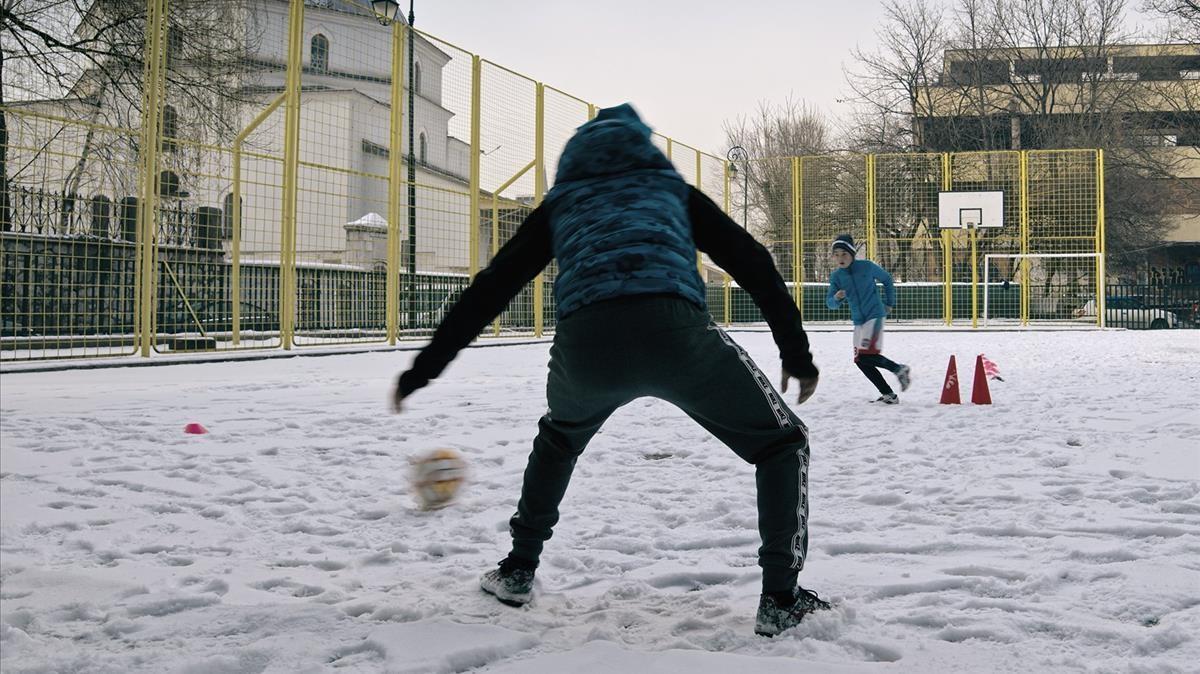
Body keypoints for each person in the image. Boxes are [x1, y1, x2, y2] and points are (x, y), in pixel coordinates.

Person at [392, 103, 829, 637]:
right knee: (782, 443)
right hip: (674, 330)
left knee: (559, 437)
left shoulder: (563, 200)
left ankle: (518, 569)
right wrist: (796, 353)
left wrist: (424, 369)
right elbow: (753, 260)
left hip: (587, 341)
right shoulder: (667, 188)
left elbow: (493, 286)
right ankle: (780, 598)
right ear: (645, 145)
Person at [825, 234, 911, 404]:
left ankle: (899, 369)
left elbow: (887, 280)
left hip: (874, 315)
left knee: (866, 356)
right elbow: (830, 304)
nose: (840, 258)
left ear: (852, 254)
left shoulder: (867, 267)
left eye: (844, 254)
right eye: (837, 254)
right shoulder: (836, 277)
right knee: (860, 361)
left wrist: (889, 303)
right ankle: (889, 394)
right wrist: (836, 297)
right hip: (858, 321)